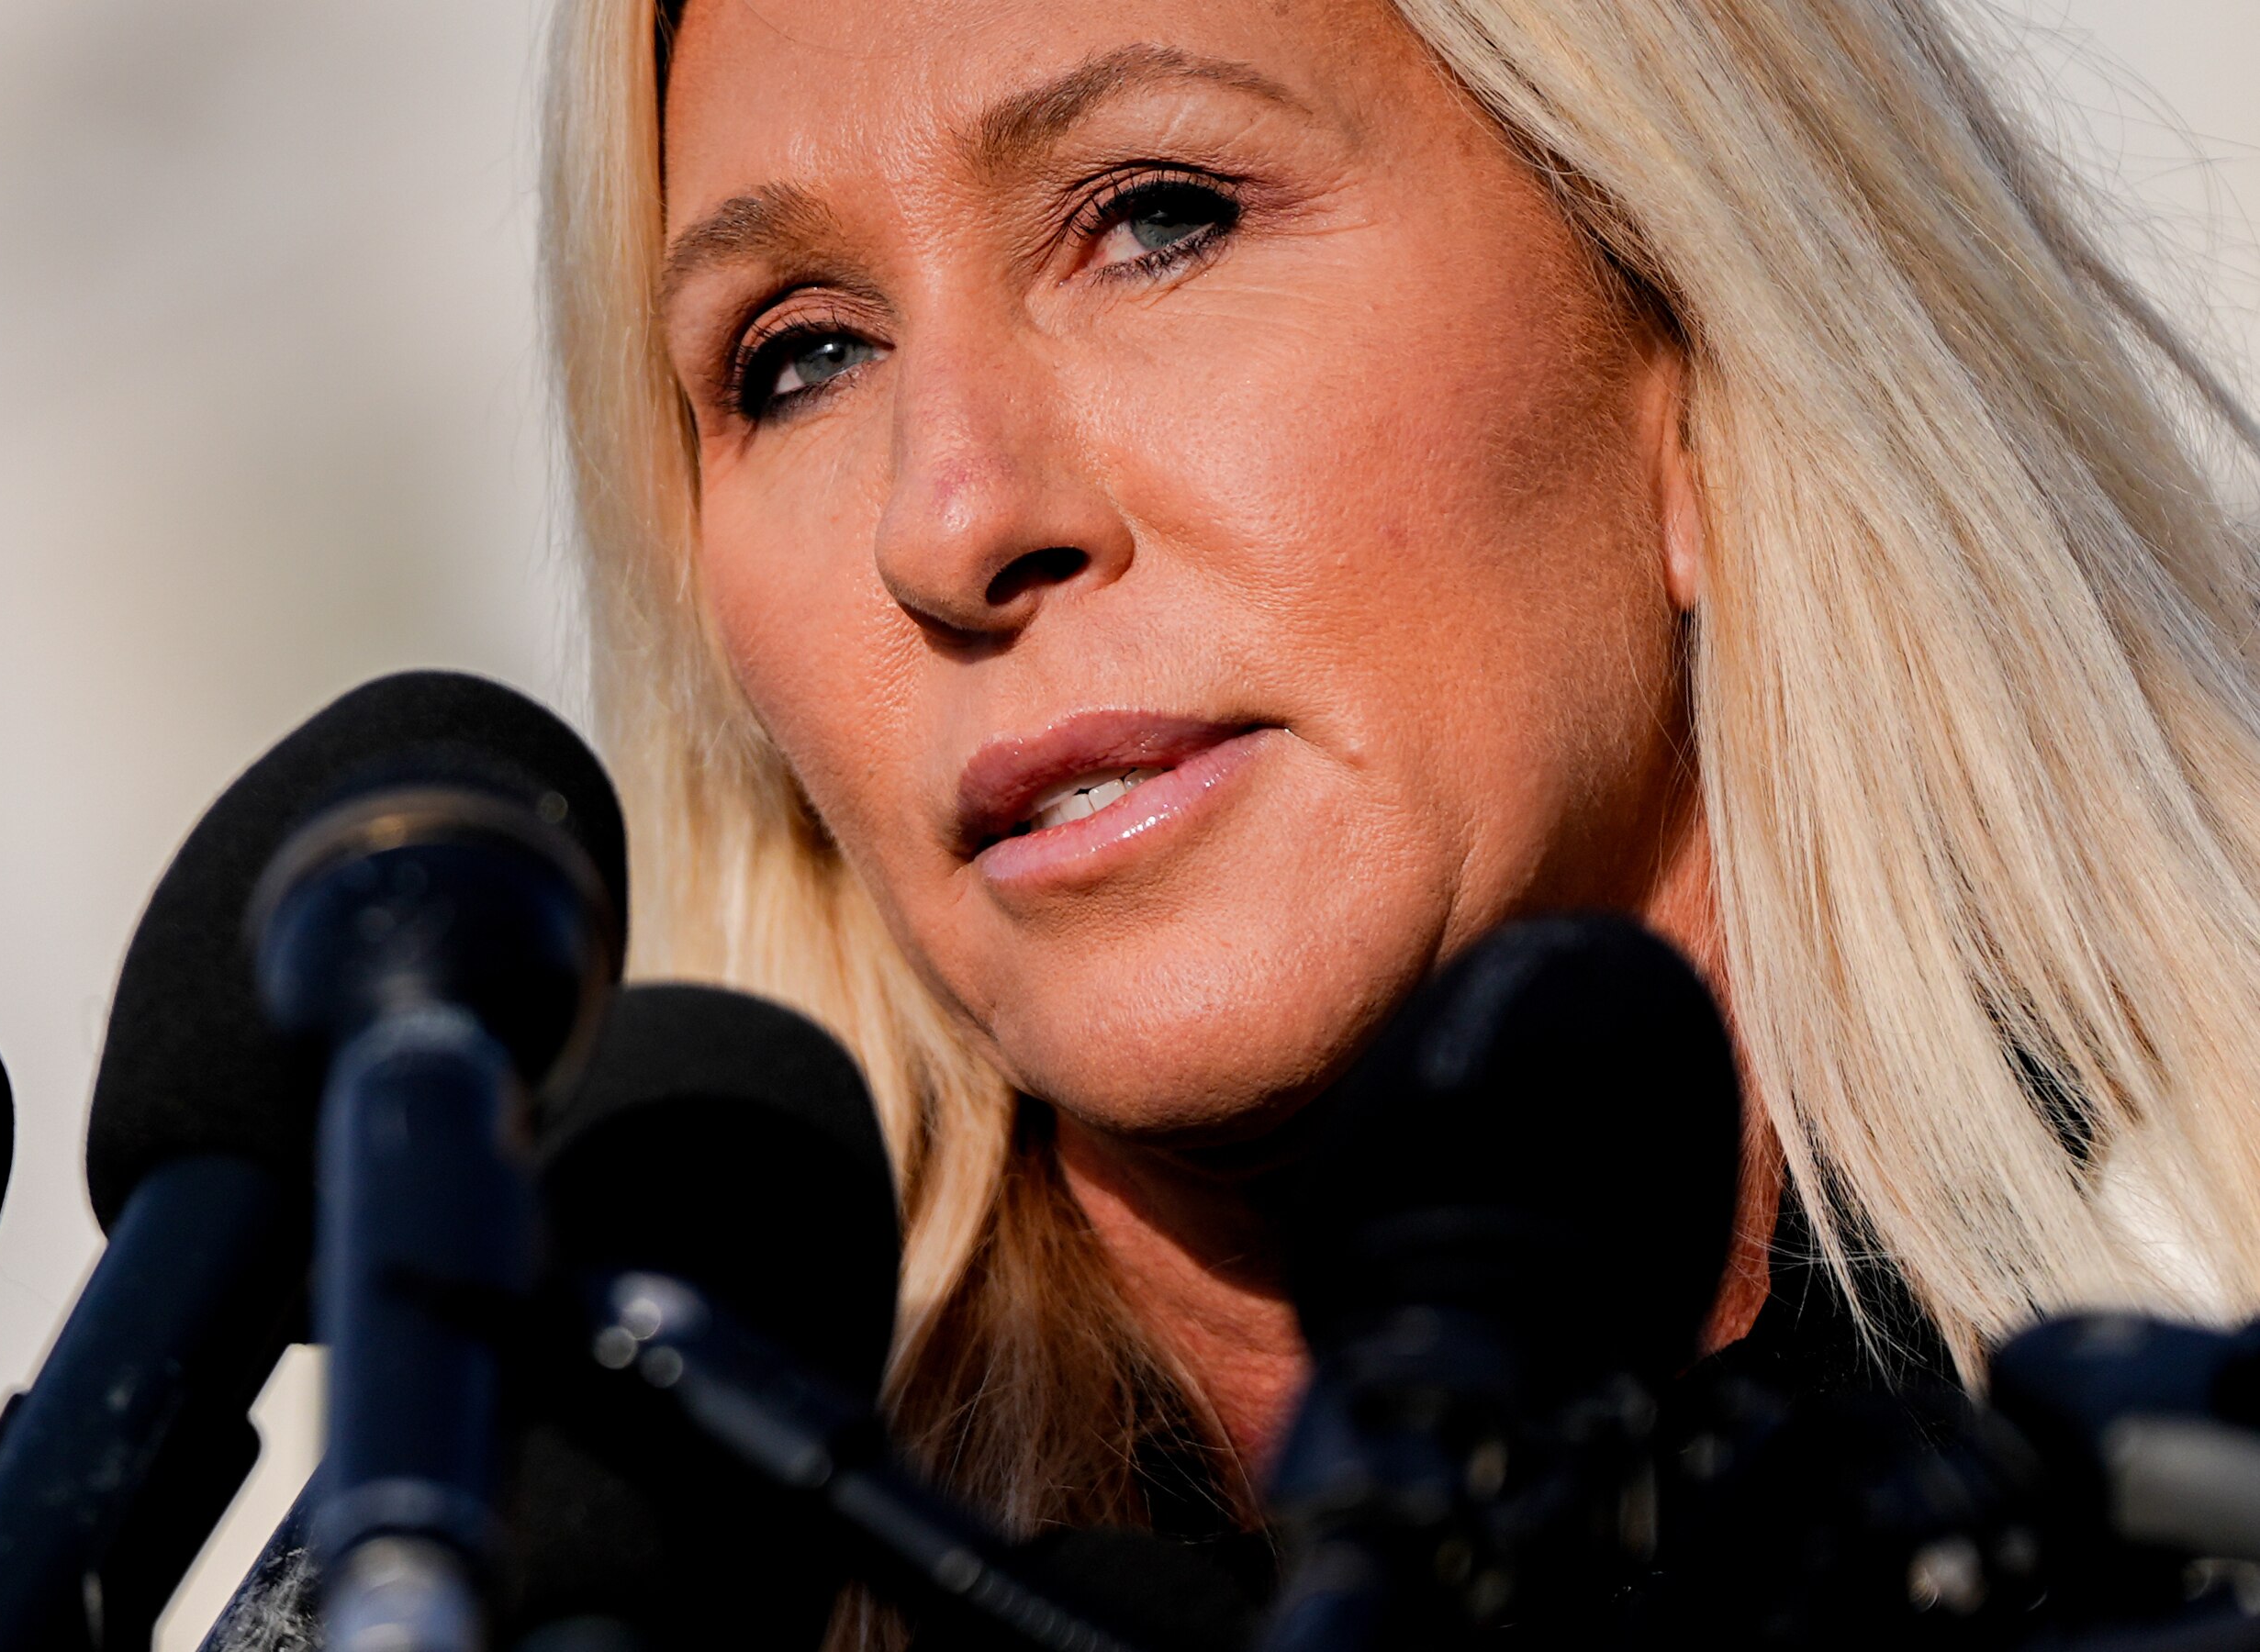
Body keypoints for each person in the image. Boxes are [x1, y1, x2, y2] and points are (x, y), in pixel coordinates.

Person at [541, 0, 2260, 1636]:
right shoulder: (560, 1567)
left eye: (1159, 220)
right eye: (802, 359)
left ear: (1682, 309)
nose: (953, 518)